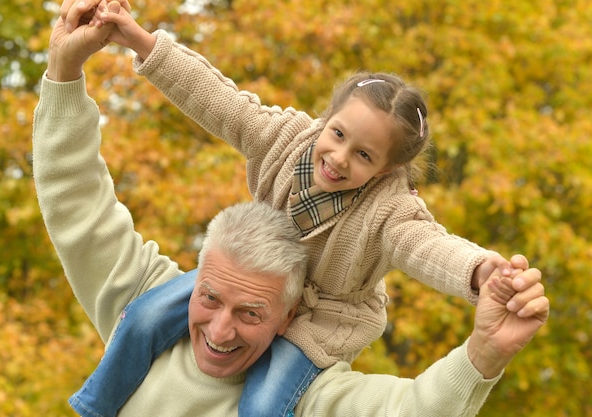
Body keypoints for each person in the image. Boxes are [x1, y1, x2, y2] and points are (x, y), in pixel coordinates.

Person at [33, 4, 549, 416]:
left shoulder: (390, 216)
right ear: (325, 119)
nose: (339, 159)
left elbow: (430, 250)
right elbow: (216, 99)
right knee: (142, 317)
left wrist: (483, 274)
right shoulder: (284, 140)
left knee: (263, 405)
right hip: (258, 270)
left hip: (320, 322)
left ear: (388, 171)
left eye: (364, 156)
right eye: (338, 134)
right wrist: (132, 44)